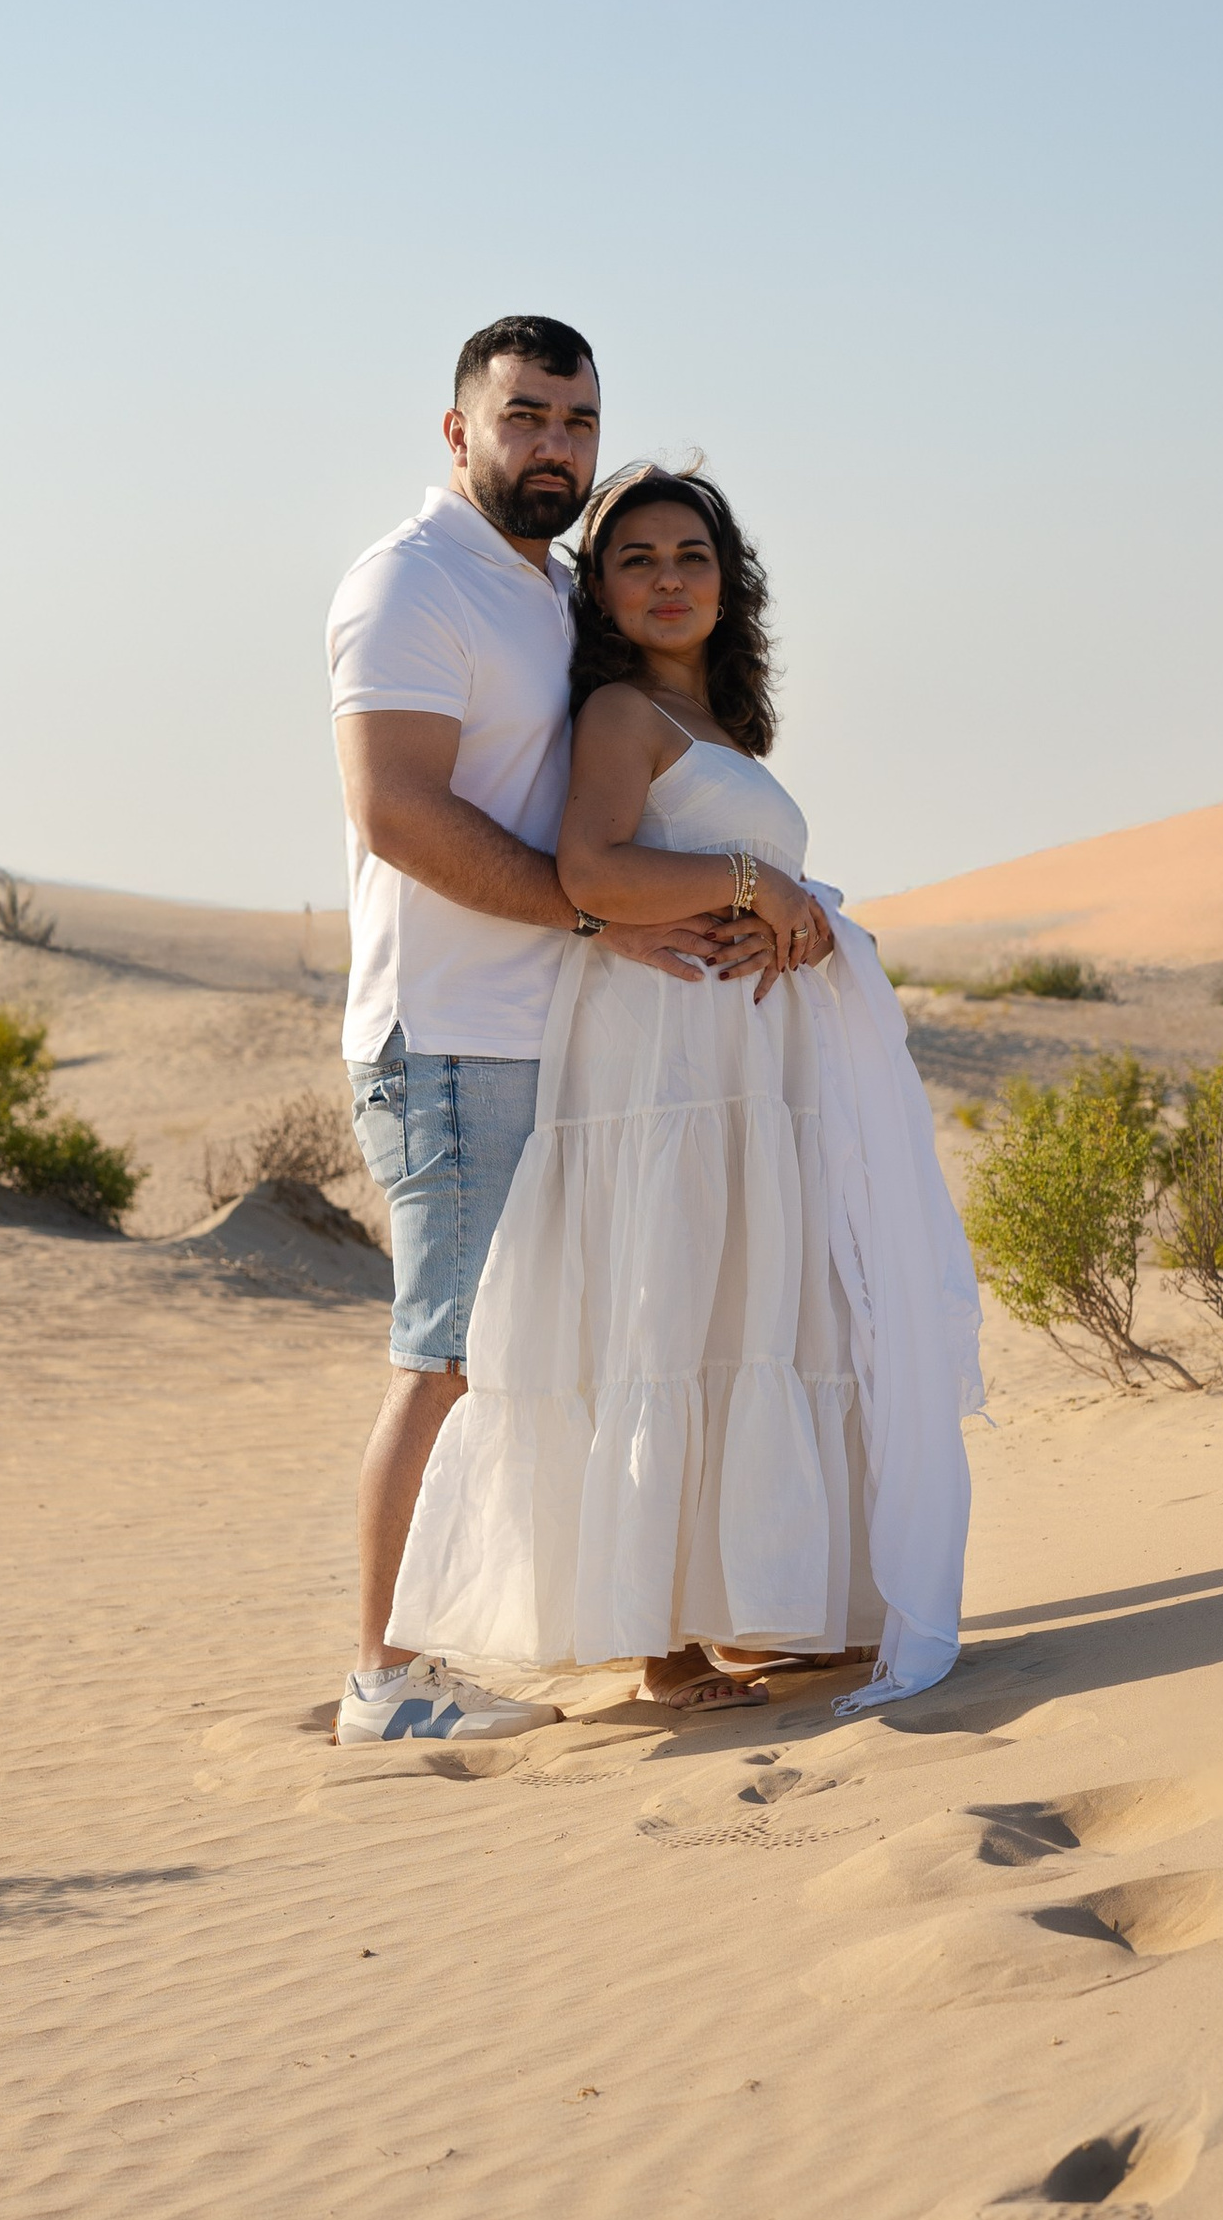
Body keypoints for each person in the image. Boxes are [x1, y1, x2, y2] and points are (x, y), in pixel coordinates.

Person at [390, 461, 984, 1716]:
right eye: (637, 560)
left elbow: (737, 883)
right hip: (659, 1064)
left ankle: (753, 1604)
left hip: (745, 1065)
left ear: (728, 583)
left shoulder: (716, 726)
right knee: (665, 1309)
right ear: (600, 590)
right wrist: (758, 889)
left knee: (749, 1308)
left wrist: (793, 923)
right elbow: (594, 873)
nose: (668, 581)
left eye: (691, 557)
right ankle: (658, 1644)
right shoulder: (621, 715)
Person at [327, 322, 767, 1750]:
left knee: (561, 1349)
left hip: (560, 1032)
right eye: (524, 417)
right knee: (449, 1356)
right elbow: (397, 812)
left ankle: (632, 1628)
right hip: (452, 1031)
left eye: (577, 421)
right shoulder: (410, 580)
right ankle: (386, 1679)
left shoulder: (549, 590)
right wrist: (590, 916)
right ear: (458, 431)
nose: (555, 446)